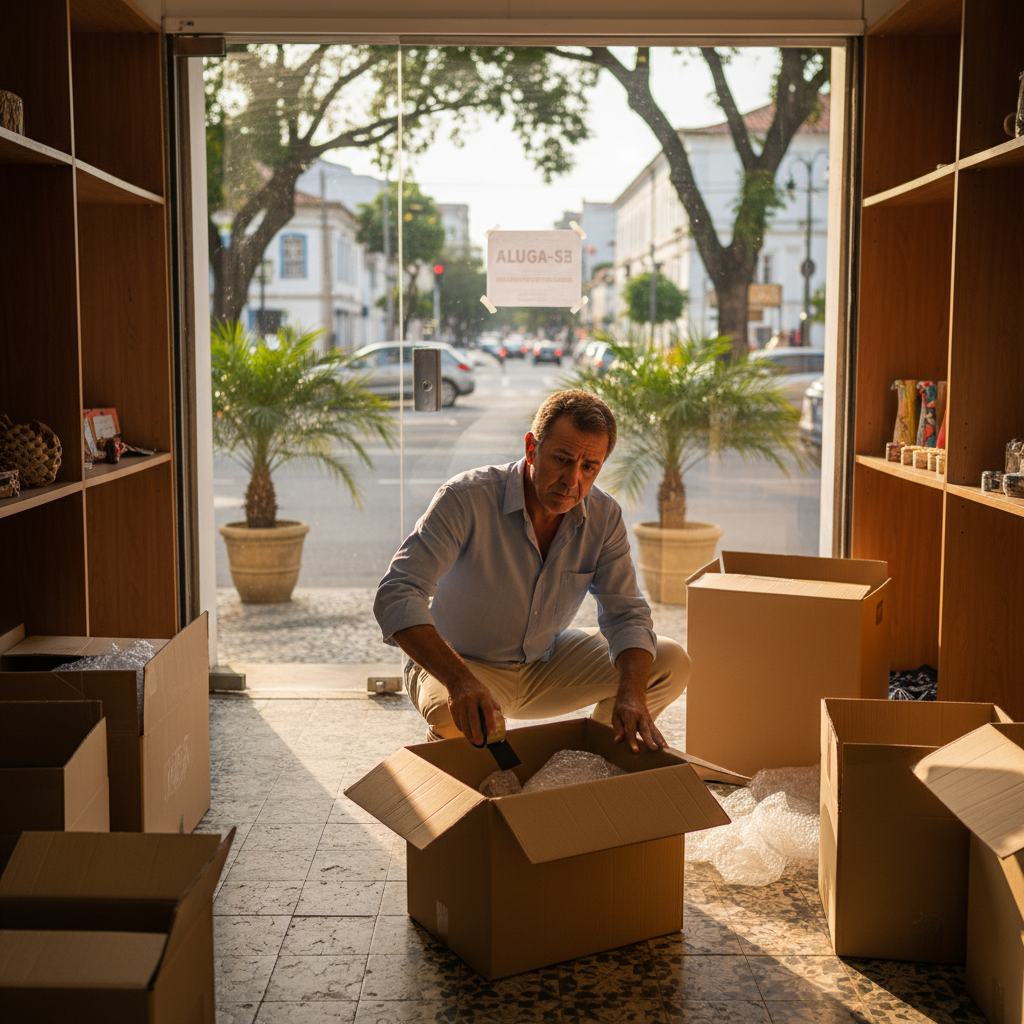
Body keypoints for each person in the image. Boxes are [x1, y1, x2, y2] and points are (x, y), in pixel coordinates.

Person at [373, 389, 689, 753]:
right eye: (562, 459)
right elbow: (397, 593)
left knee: (670, 662)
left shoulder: (604, 516)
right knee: (454, 719)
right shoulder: (465, 498)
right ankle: (452, 756)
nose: (573, 480)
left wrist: (632, 696)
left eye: (589, 467)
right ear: (531, 448)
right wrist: (459, 680)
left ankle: (591, 759)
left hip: (544, 663)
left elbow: (627, 615)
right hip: (459, 665)